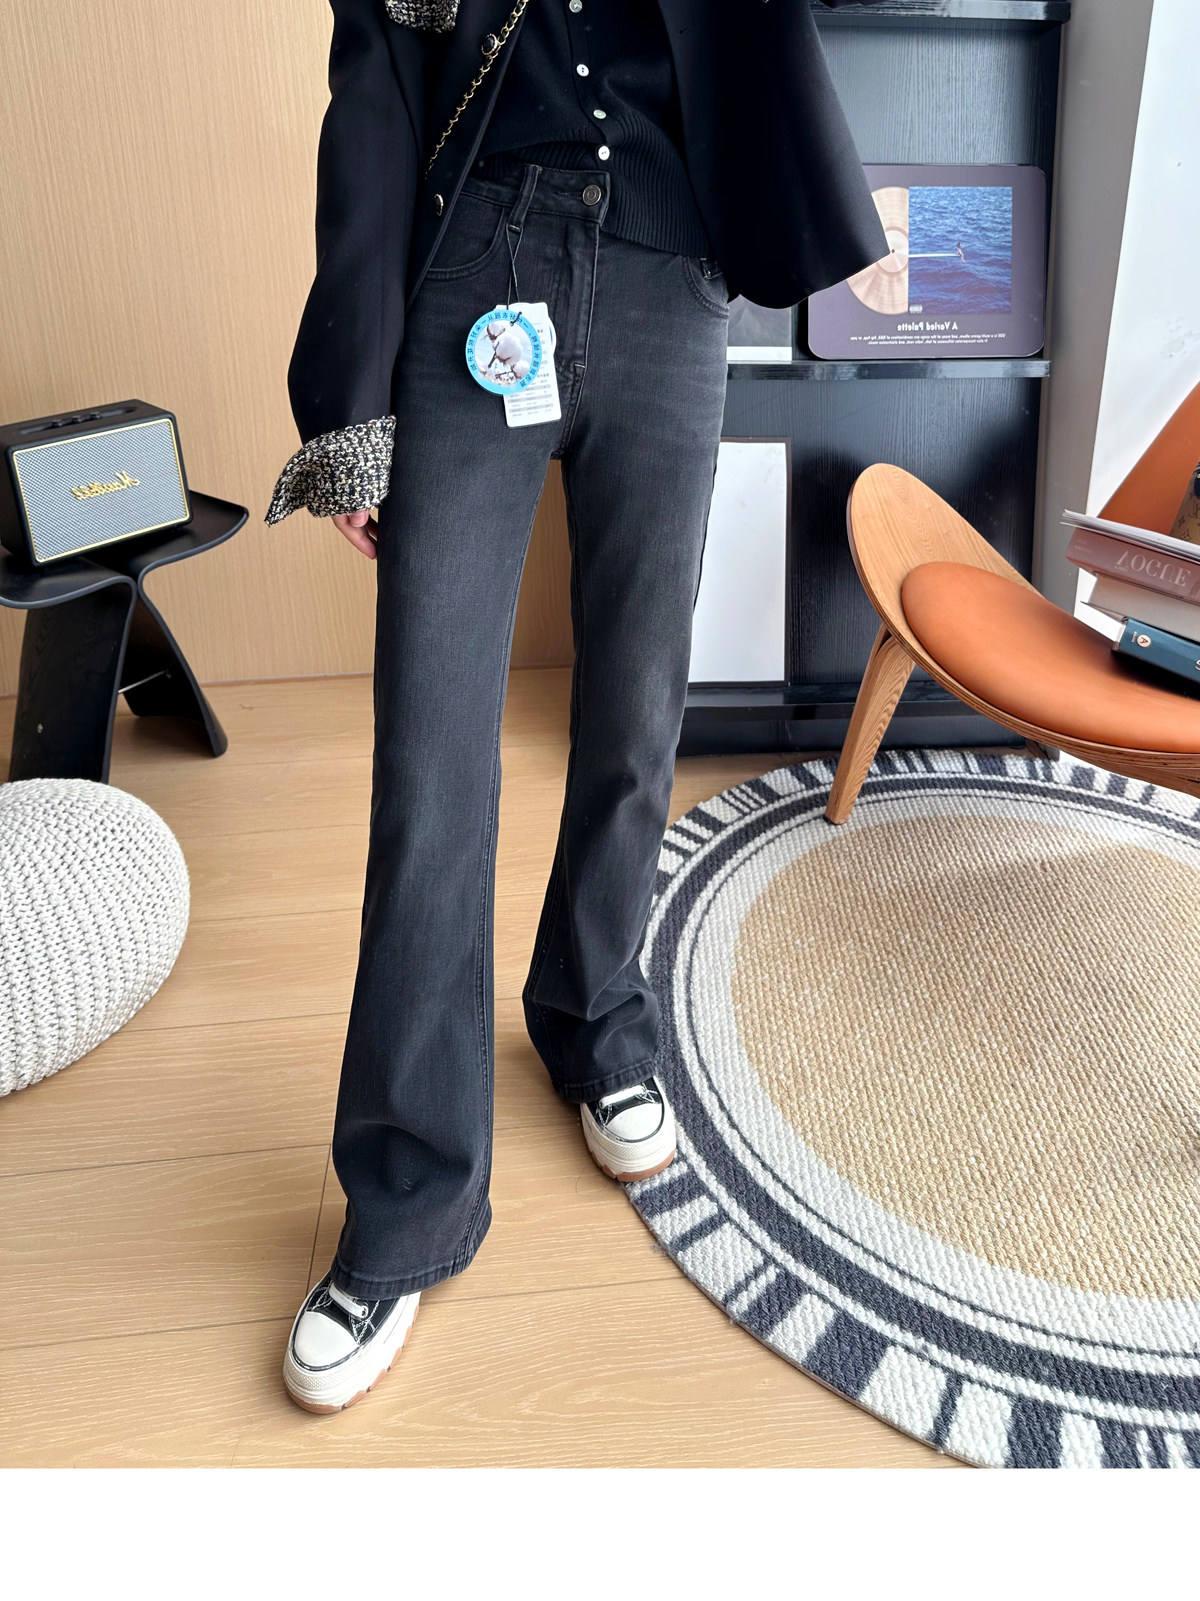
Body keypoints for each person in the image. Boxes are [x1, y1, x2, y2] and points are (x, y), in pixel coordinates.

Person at [267, 0, 887, 1414]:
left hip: (670, 279)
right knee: (430, 757)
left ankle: (595, 1012)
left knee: (637, 704)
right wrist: (350, 404)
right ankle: (408, 1188)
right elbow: (374, 103)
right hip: (474, 269)